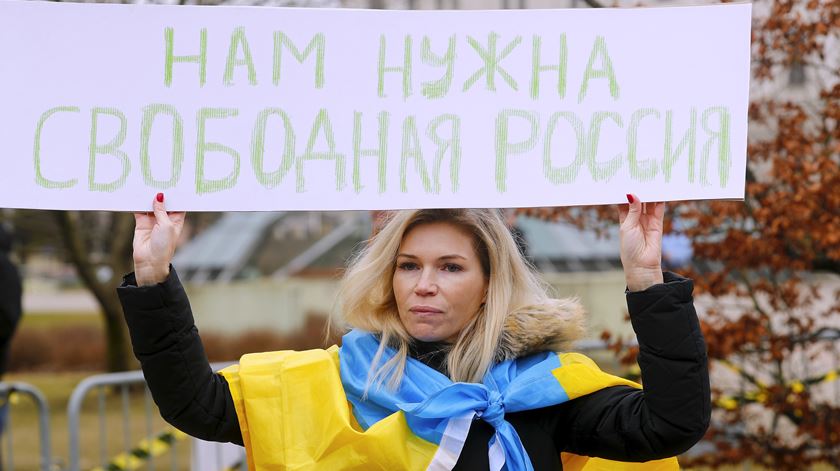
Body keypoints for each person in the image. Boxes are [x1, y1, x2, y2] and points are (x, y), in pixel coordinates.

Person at [118, 193, 709, 470]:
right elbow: (196, 403)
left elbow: (670, 425)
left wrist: (645, 278)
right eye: (409, 265)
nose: (423, 284)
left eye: (450, 267)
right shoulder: (343, 381)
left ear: (488, 282)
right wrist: (154, 277)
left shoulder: (544, 388)